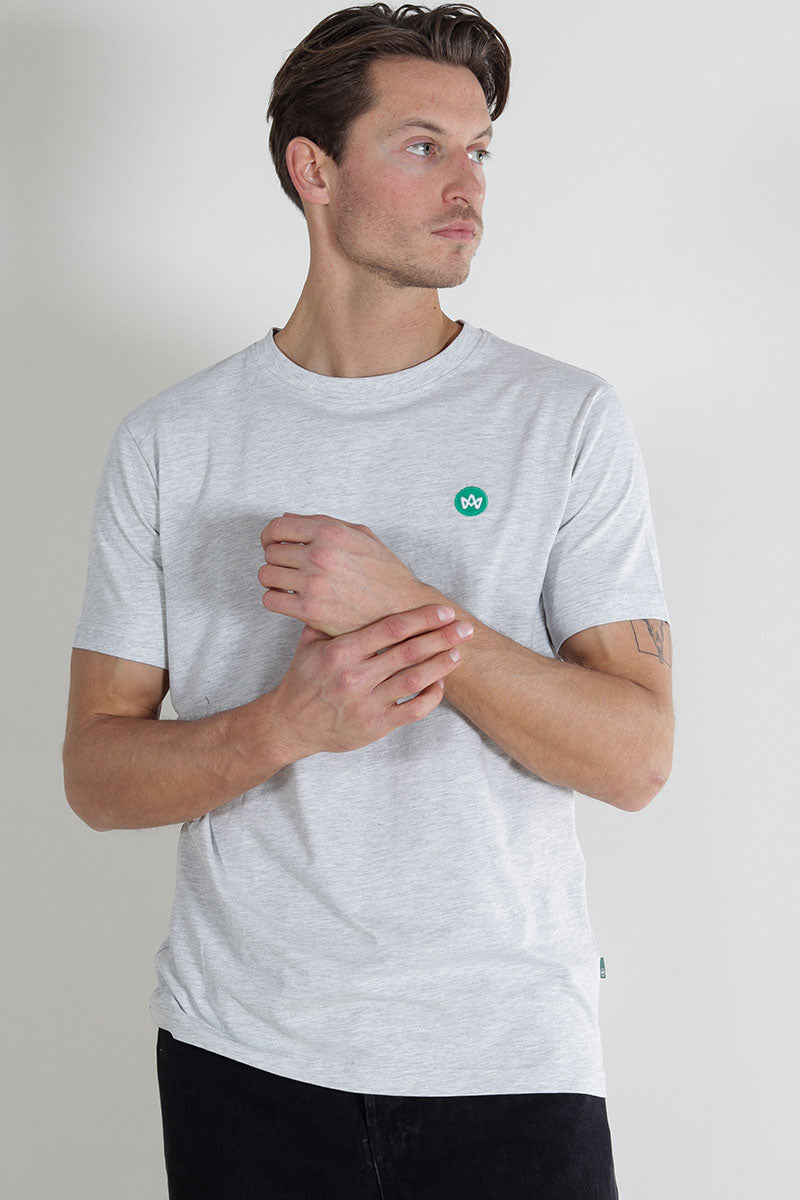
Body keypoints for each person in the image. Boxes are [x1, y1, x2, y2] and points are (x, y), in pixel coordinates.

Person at [62, 4, 674, 1197]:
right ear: (315, 170)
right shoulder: (172, 442)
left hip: (506, 1057)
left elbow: (635, 758)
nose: (467, 186)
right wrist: (285, 724)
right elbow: (96, 773)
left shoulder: (561, 419)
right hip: (244, 1054)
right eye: (420, 146)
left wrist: (410, 609)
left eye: (478, 149)